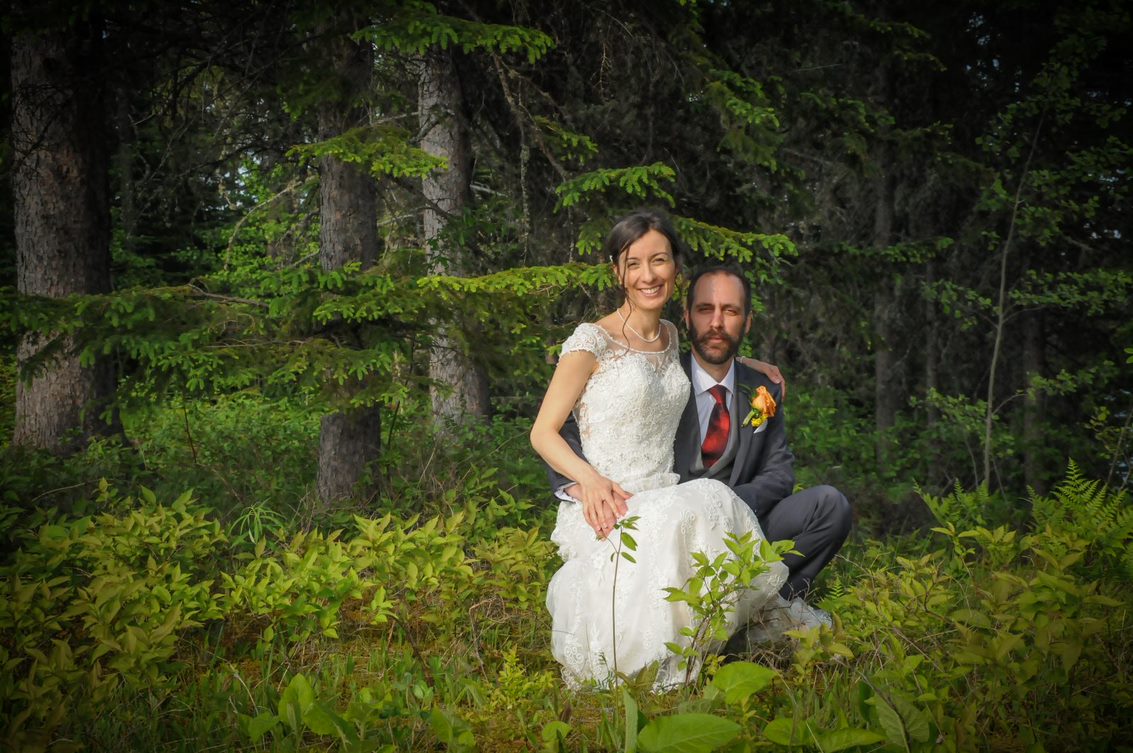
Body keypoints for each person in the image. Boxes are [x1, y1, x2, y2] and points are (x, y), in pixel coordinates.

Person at [530, 210, 820, 689]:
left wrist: (749, 363)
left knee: (702, 502)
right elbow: (543, 432)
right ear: (617, 273)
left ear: (675, 268)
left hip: (661, 488)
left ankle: (706, 646)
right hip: (610, 499)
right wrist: (590, 482)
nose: (648, 275)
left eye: (659, 260)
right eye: (634, 263)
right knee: (704, 502)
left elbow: (705, 355)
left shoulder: (668, 336)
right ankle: (655, 672)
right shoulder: (590, 342)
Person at [553, 264, 852, 604]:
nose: (716, 323)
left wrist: (724, 506)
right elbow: (567, 424)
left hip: (741, 519)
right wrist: (579, 481)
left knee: (831, 506)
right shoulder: (657, 380)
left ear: (747, 321)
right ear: (687, 317)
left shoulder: (763, 388)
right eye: (705, 310)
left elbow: (780, 474)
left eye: (730, 311)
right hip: (668, 530)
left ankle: (768, 603)